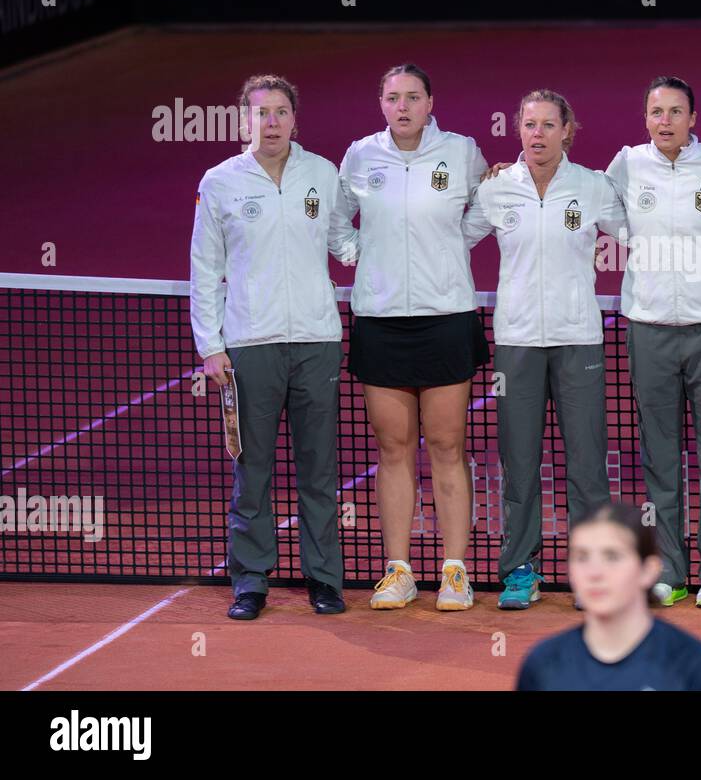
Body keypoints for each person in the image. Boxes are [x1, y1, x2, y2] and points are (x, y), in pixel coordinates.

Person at [190, 74, 357, 620]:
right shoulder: (219, 182)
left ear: (294, 118)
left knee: (318, 468)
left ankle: (324, 579)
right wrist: (210, 346)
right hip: (248, 347)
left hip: (316, 341)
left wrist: (405, 234)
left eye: (281, 112)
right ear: (244, 121)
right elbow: (205, 268)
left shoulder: (322, 173)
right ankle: (251, 580)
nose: (271, 122)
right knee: (252, 469)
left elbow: (343, 241)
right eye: (261, 113)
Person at [334, 63, 490, 611]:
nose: (403, 107)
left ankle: (454, 573)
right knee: (392, 449)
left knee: (449, 446)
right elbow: (336, 222)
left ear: (430, 102)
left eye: (413, 97)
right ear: (382, 103)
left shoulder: (462, 150)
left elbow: (489, 206)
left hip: (446, 315)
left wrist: (451, 246)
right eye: (393, 98)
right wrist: (367, 259)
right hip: (380, 320)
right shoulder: (360, 156)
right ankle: (398, 572)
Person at [463, 90, 626, 609]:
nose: (537, 134)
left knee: (587, 466)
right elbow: (451, 240)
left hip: (578, 338)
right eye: (529, 125)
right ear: (519, 130)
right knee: (519, 463)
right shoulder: (496, 190)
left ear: (567, 130)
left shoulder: (593, 186)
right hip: (516, 342)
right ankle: (520, 570)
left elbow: (639, 233)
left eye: (548, 125)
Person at [604, 76, 701, 609]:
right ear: (646, 118)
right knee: (660, 457)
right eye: (655, 111)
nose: (664, 120)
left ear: (693, 119)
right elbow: (596, 206)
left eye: (675, 111)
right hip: (648, 327)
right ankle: (669, 568)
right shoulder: (626, 165)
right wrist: (637, 245)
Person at [516, 503, 701, 690]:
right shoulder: (543, 666)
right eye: (581, 557)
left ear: (648, 570)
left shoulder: (694, 665)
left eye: (612, 557)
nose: (595, 572)